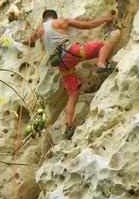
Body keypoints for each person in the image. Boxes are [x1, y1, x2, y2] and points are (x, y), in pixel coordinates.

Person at [22, 9, 114, 139]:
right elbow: (87, 25)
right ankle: (101, 64)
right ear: (54, 17)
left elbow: (29, 42)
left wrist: (29, 38)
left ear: (44, 19)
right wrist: (105, 19)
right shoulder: (62, 21)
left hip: (61, 64)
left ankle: (69, 126)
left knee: (73, 94)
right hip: (72, 52)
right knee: (105, 44)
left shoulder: (39, 30)